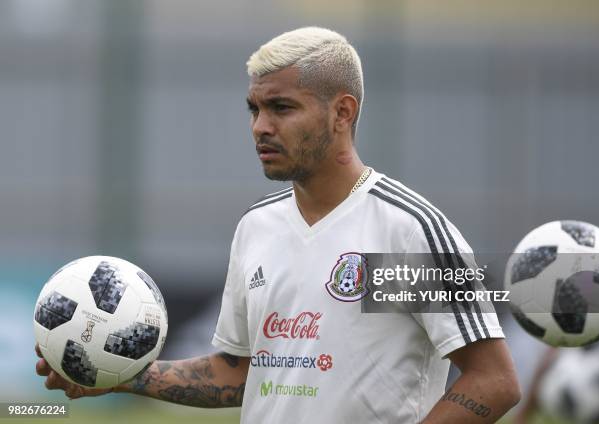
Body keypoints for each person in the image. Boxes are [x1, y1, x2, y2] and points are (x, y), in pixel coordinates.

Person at [36, 26, 521, 423]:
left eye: (281, 108)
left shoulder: (409, 230)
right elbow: (238, 375)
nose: (260, 126)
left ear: (342, 113)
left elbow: (493, 381)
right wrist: (118, 374)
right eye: (255, 108)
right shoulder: (258, 226)